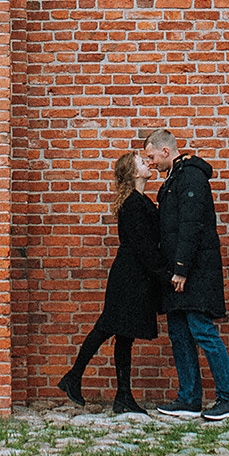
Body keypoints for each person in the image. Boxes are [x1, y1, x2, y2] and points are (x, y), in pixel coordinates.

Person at [144, 127, 229, 420]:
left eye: (152, 156)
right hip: (178, 273)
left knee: (202, 331)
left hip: (194, 272)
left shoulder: (191, 177)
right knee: (178, 333)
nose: (150, 162)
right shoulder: (174, 179)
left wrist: (181, 269)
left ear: (165, 151)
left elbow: (192, 224)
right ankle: (189, 399)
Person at [56, 150, 164, 414]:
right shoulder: (133, 204)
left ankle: (123, 397)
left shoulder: (140, 200)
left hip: (134, 275)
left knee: (124, 335)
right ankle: (74, 376)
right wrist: (165, 274)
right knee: (108, 327)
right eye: (141, 161)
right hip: (129, 277)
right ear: (133, 173)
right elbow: (143, 247)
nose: (147, 163)